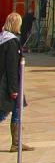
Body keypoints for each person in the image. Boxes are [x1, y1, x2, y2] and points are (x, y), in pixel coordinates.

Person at [1, 12, 33, 152]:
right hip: (9, 84)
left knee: (17, 110)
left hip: (8, 82)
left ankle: (16, 142)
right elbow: (11, 67)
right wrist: (13, 89)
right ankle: (16, 142)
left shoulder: (3, 39)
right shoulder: (12, 42)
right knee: (3, 112)